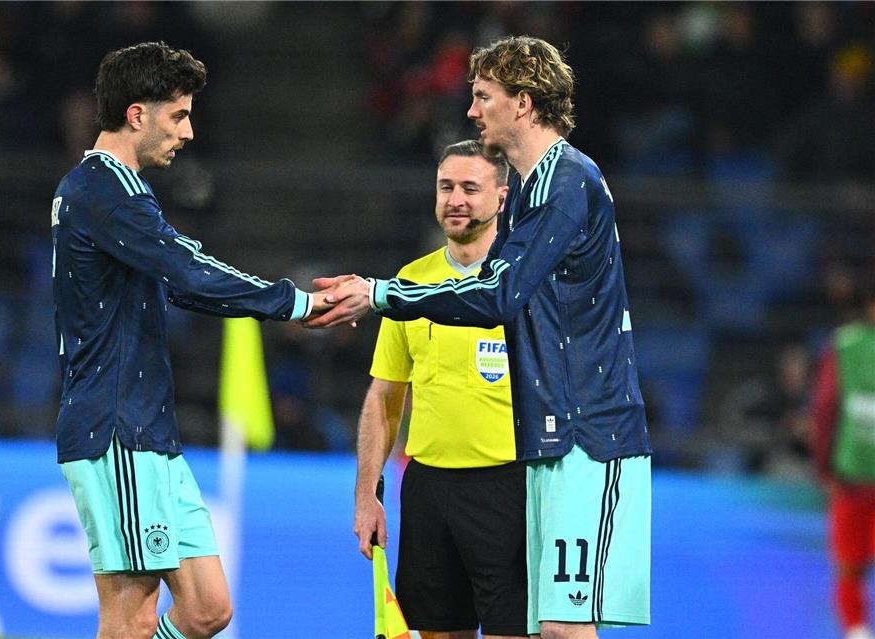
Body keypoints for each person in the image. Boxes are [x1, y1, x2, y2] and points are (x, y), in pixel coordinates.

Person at [308, 36, 652, 639]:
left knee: (566, 630)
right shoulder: (529, 191)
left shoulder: (567, 181)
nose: (472, 111)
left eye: (483, 96)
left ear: (523, 102)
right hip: (548, 437)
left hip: (587, 433)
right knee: (553, 629)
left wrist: (380, 294)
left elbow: (498, 293)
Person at [52, 42, 329, 639]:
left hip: (147, 427)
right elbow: (187, 268)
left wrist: (276, 306)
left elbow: (183, 286)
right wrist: (294, 302)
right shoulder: (102, 189)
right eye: (177, 115)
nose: (188, 131)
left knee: (208, 608)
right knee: (130, 615)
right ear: (136, 114)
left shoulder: (118, 191)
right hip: (116, 425)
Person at [354, 140, 527, 639]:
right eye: (446, 187)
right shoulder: (410, 282)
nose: (456, 199)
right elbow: (383, 398)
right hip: (429, 489)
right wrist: (367, 494)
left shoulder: (520, 283)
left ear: (501, 196)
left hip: (507, 486)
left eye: (471, 188)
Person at [812, 281, 875, 639]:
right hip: (851, 479)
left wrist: (823, 465)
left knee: (849, 567)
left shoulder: (844, 345)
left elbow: (824, 407)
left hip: (850, 474)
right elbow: (825, 407)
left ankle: (855, 630)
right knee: (849, 566)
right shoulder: (845, 345)